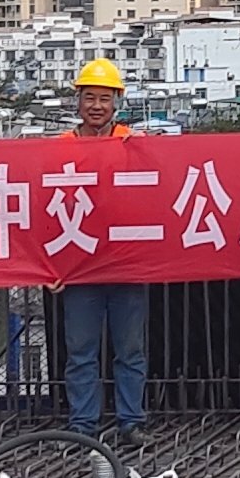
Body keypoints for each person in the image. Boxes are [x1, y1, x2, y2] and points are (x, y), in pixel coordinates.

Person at [55, 58, 150, 449]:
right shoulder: (60, 148)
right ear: (78, 101)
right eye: (90, 98)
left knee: (131, 350)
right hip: (80, 266)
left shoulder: (134, 143)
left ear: (116, 103)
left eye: (104, 99)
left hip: (125, 264)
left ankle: (131, 422)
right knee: (81, 352)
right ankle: (82, 426)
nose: (97, 106)